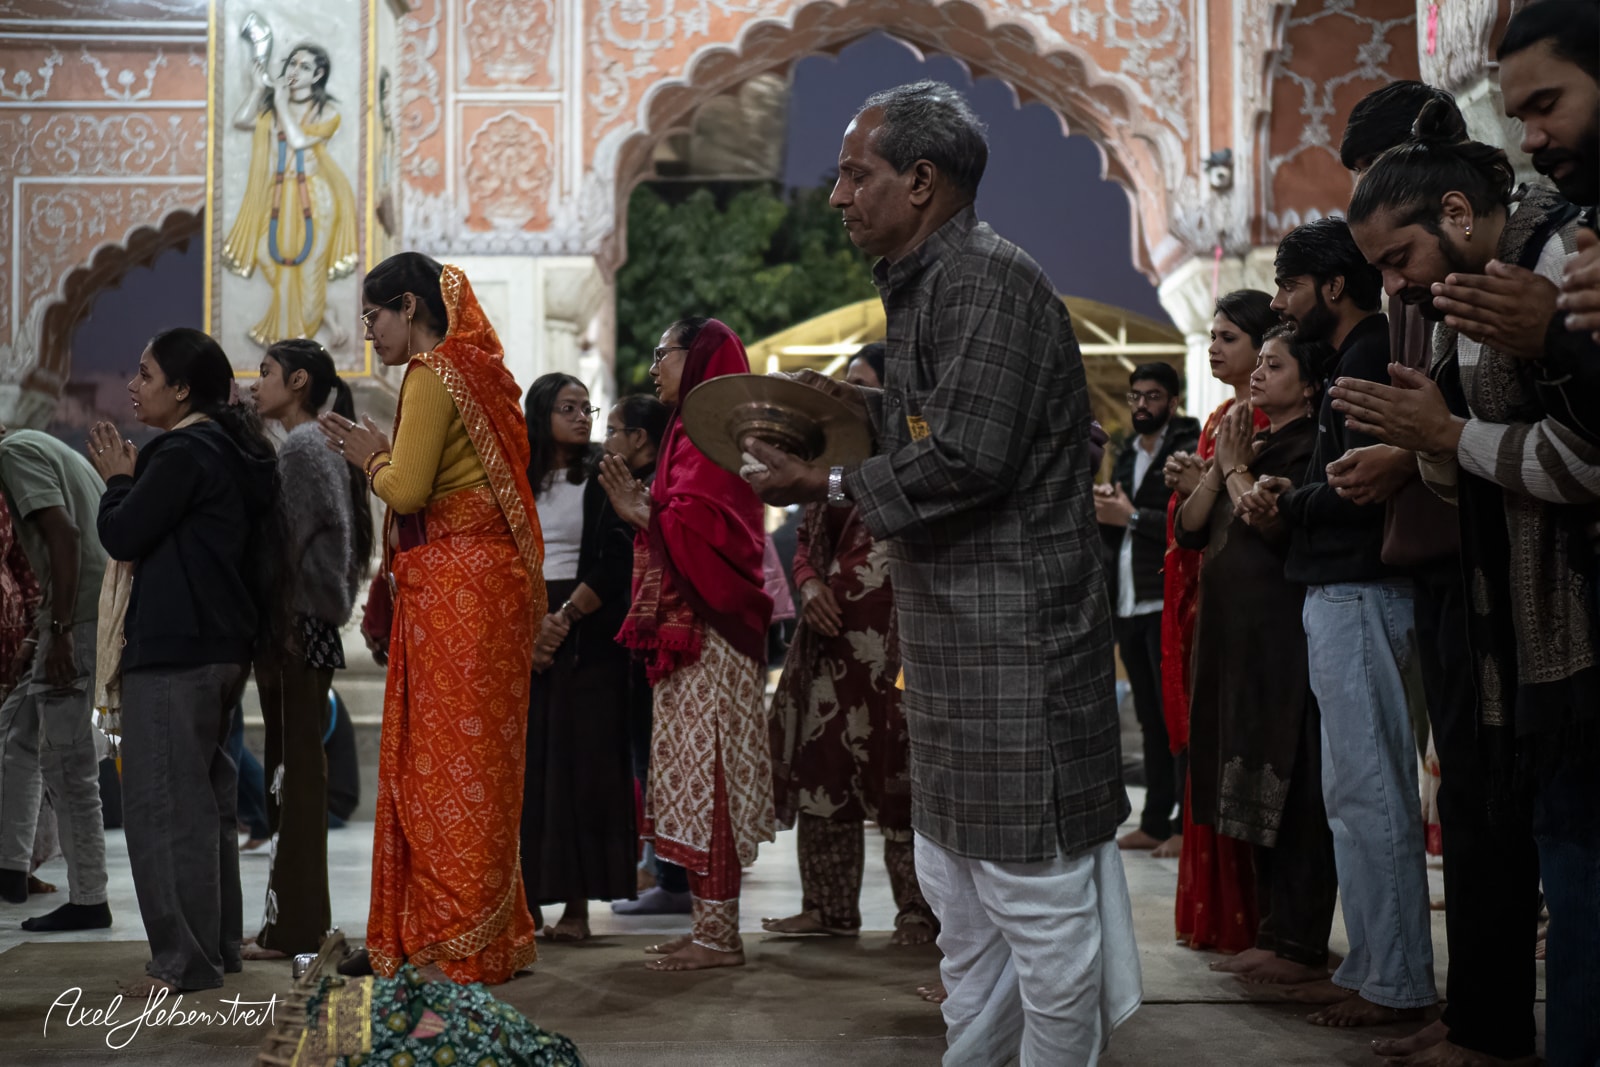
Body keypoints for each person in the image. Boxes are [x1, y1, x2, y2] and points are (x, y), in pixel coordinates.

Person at [742, 81, 1140, 1065]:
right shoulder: (930, 282)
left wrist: (828, 478)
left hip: (1016, 650)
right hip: (959, 647)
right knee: (964, 915)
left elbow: (970, 456)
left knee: (1038, 918)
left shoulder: (985, 280)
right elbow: (942, 422)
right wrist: (856, 410)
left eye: (855, 174)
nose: (838, 196)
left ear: (920, 181)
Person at [1337, 98, 1599, 1067]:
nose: (1393, 285)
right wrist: (1429, 442)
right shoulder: (1464, 294)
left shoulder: (1559, 259)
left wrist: (1444, 437)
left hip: (1572, 613)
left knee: (1573, 859)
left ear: (1455, 209)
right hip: (1512, 613)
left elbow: (1585, 455)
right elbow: (1469, 461)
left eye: (1396, 258)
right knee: (1535, 833)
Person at [318, 252, 545, 985]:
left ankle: (451, 935)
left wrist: (370, 460)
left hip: (455, 593)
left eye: (374, 317)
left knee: (441, 768)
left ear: (409, 306)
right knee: (483, 764)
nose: (370, 333)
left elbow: (408, 490)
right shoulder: (480, 371)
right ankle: (487, 930)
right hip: (491, 591)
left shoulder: (433, 373)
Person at [1236, 217, 1435, 1029]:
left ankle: (1397, 981)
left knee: (1371, 793)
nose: (1281, 304)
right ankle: (1373, 965)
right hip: (1346, 592)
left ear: (1332, 285)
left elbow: (1356, 488)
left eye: (1289, 286)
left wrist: (1289, 502)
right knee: (1354, 795)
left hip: (1361, 590)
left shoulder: (1366, 353)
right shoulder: (1353, 354)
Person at [88, 328, 277, 993]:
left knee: (163, 807)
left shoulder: (183, 451)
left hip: (176, 646)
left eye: (146, 374)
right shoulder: (230, 449)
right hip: (221, 646)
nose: (133, 385)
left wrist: (117, 482)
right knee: (205, 807)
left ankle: (183, 958)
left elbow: (123, 533)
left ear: (183, 388)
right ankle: (215, 948)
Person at [596, 317, 775, 972]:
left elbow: (718, 531)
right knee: (690, 780)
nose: (653, 368)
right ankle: (706, 926)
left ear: (697, 357)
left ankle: (720, 938)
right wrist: (650, 514)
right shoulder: (685, 432)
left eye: (662, 353)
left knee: (712, 779)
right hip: (688, 632)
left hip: (712, 631)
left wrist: (646, 513)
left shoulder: (719, 434)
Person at [1177, 325, 1339, 989]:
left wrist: (1233, 467)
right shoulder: (1256, 442)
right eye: (1260, 363)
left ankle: (1299, 942)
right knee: (1251, 788)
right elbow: (1190, 529)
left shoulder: (1312, 447)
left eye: (1274, 365)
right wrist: (1224, 465)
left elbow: (1273, 526)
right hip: (1236, 642)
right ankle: (1273, 931)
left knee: (1293, 788)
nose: (1258, 374)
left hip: (1282, 640)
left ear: (1311, 384)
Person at [763, 343, 937, 947]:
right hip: (832, 640)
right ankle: (827, 907)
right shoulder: (830, 459)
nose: (850, 399)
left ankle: (919, 912)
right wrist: (809, 585)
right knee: (824, 763)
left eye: (863, 388)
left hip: (902, 641)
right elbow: (806, 541)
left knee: (903, 771)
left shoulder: (918, 459)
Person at [243, 338, 372, 959]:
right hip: (311, 622)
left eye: (266, 372)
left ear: (298, 382)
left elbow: (295, 546)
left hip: (295, 623)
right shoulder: (318, 442)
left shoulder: (301, 445)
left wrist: (280, 619)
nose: (256, 383)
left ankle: (293, 927)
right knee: (295, 771)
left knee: (292, 775)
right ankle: (301, 921)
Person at [1158, 290, 1272, 955]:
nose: (1214, 347)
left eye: (1230, 337)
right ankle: (1220, 918)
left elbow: (1250, 507)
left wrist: (1212, 477)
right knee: (1211, 751)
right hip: (1209, 598)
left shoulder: (1271, 418)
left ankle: (1259, 923)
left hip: (1251, 609)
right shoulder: (1220, 417)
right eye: (1213, 335)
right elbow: (1195, 521)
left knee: (1244, 756)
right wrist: (1195, 480)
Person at [519, 372, 638, 943]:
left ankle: (576, 908)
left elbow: (618, 559)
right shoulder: (515, 476)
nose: (581, 418)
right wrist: (528, 627)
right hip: (522, 622)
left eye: (586, 408)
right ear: (540, 413)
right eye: (567, 407)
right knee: (528, 769)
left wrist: (562, 619)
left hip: (587, 630)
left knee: (582, 770)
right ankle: (524, 903)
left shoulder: (602, 473)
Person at [0, 419, 111, 931]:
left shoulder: (15, 454)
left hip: (79, 618)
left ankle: (89, 898)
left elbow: (64, 536)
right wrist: (40, 632)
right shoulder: (38, 445)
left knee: (68, 762)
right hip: (71, 616)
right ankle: (10, 868)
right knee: (16, 731)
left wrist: (61, 630)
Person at [1095, 363, 1198, 855]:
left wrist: (1130, 515)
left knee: (1176, 715)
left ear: (1172, 402)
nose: (1141, 405)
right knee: (1149, 718)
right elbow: (1121, 526)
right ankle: (1155, 820)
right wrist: (1108, 509)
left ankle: (1184, 824)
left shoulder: (1188, 449)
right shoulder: (1126, 453)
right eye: (1135, 396)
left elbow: (1190, 522)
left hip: (1166, 598)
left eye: (1152, 396)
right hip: (1130, 600)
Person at [600, 394, 691, 918]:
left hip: (664, 643)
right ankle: (664, 874)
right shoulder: (635, 483)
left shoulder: (659, 487)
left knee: (662, 761)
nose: (606, 440)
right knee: (649, 761)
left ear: (639, 438)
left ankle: (676, 880)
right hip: (641, 644)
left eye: (613, 430)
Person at [223, 41, 356, 348]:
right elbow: (241, 120)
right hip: (278, 196)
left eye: (304, 67)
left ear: (318, 75)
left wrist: (280, 103)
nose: (295, 71)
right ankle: (324, 313)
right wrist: (258, 90)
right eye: (292, 64)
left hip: (316, 199)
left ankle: (299, 342)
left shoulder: (327, 112)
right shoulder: (273, 109)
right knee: (265, 255)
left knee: (309, 272)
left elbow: (297, 140)